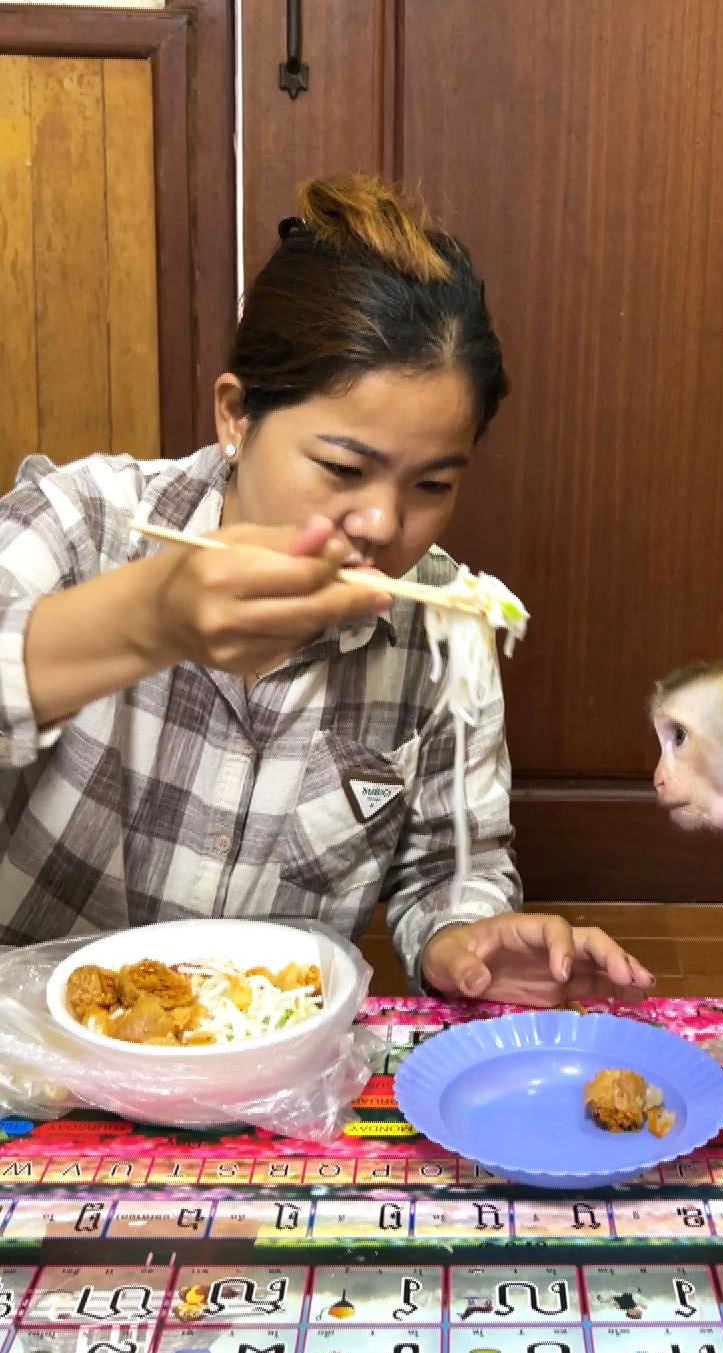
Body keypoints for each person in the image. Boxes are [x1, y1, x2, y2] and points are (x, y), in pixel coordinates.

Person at [0, 173, 653, 1007]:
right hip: (34, 1059)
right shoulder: (90, 524)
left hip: (262, 1057)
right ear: (236, 416)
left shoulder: (439, 625)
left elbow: (454, 868)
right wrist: (150, 619)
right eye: (344, 468)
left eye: (432, 485)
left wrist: (465, 938)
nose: (383, 523)